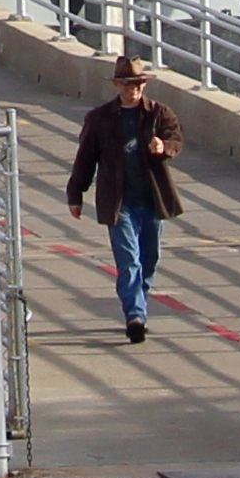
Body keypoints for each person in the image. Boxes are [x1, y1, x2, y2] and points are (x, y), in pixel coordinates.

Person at [62, 51, 182, 342]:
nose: (134, 89)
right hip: (120, 202)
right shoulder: (100, 118)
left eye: (139, 83)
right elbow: (86, 158)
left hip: (152, 200)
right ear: (117, 85)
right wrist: (76, 193)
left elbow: (176, 139)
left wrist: (163, 146)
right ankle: (135, 315)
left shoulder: (158, 113)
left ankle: (139, 300)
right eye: (128, 83)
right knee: (129, 260)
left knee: (149, 259)